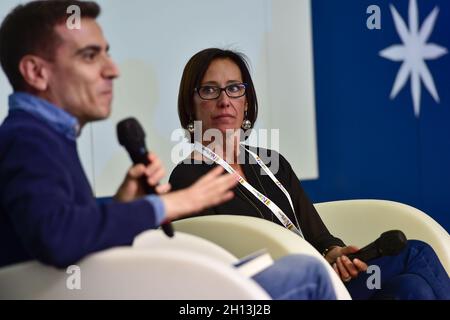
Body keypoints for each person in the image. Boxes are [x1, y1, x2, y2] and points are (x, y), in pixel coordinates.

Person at [0, 1, 337, 300]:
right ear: (36, 72)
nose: (112, 69)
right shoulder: (28, 139)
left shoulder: (45, 137)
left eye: (106, 52)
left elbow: (68, 240)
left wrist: (123, 206)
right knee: (305, 273)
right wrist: (164, 205)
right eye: (90, 55)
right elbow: (56, 238)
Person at [169, 47, 450, 300]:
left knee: (413, 288)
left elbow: (317, 234)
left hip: (325, 276)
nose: (224, 100)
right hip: (277, 291)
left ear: (246, 102)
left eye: (234, 88)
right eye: (209, 90)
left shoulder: (270, 161)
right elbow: (210, 264)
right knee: (416, 253)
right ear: (190, 103)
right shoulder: (187, 177)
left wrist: (336, 254)